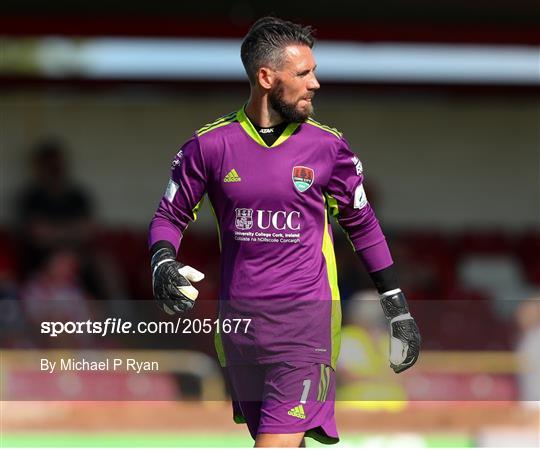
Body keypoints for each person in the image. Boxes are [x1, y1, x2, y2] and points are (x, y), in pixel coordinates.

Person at [149, 16, 421, 447]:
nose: (315, 83)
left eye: (314, 71)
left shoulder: (328, 147)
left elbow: (363, 225)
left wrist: (397, 308)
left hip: (305, 328)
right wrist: (162, 260)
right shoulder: (210, 146)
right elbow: (170, 215)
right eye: (303, 73)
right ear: (265, 77)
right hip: (240, 332)